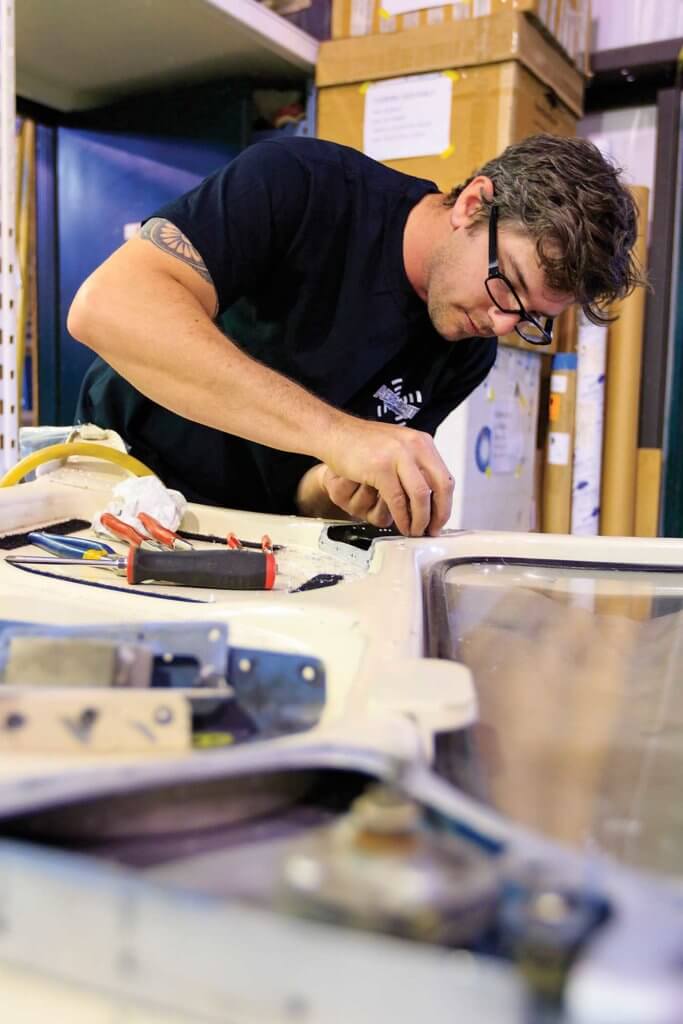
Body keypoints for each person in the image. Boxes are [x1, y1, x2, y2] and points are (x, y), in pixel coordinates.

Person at [69, 133, 642, 537]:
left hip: (245, 540)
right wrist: (338, 435)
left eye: (532, 318)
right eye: (507, 284)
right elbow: (107, 307)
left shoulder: (468, 351)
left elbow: (303, 490)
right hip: (120, 487)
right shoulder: (302, 183)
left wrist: (339, 489)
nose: (501, 324)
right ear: (473, 205)